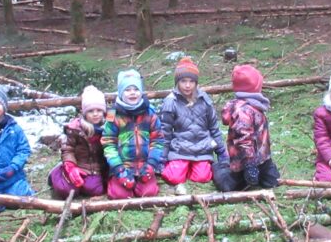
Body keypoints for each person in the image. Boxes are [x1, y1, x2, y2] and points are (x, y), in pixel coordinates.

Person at [160, 57, 228, 193]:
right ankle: (182, 166)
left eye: (191, 81)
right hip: (180, 148)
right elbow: (165, 132)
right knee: (173, 177)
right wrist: (161, 157)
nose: (187, 85)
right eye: (183, 81)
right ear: (177, 82)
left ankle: (194, 166)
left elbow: (213, 128)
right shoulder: (170, 102)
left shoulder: (205, 100)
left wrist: (221, 152)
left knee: (203, 177)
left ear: (196, 83)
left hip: (202, 147)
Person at [102, 69, 165, 199]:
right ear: (120, 92)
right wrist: (118, 169)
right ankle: (116, 180)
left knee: (148, 193)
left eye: (136, 89)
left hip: (144, 165)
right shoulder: (112, 114)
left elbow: (158, 140)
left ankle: (144, 179)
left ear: (141, 92)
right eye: (127, 89)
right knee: (120, 195)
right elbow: (108, 143)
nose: (132, 93)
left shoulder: (150, 112)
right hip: (123, 166)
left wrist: (151, 164)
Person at [215, 64, 280, 191]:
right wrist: (249, 164)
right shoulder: (243, 111)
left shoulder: (256, 105)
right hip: (244, 159)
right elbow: (243, 139)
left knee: (273, 181)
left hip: (262, 157)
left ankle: (262, 169)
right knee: (230, 186)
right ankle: (221, 168)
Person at [48, 85, 108, 200]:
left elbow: (116, 111)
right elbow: (68, 149)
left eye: (99, 110)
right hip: (78, 164)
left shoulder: (108, 127)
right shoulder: (76, 128)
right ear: (84, 112)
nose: (95, 114)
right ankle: (57, 173)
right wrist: (71, 166)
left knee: (95, 190)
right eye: (91, 111)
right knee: (67, 190)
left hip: (96, 168)